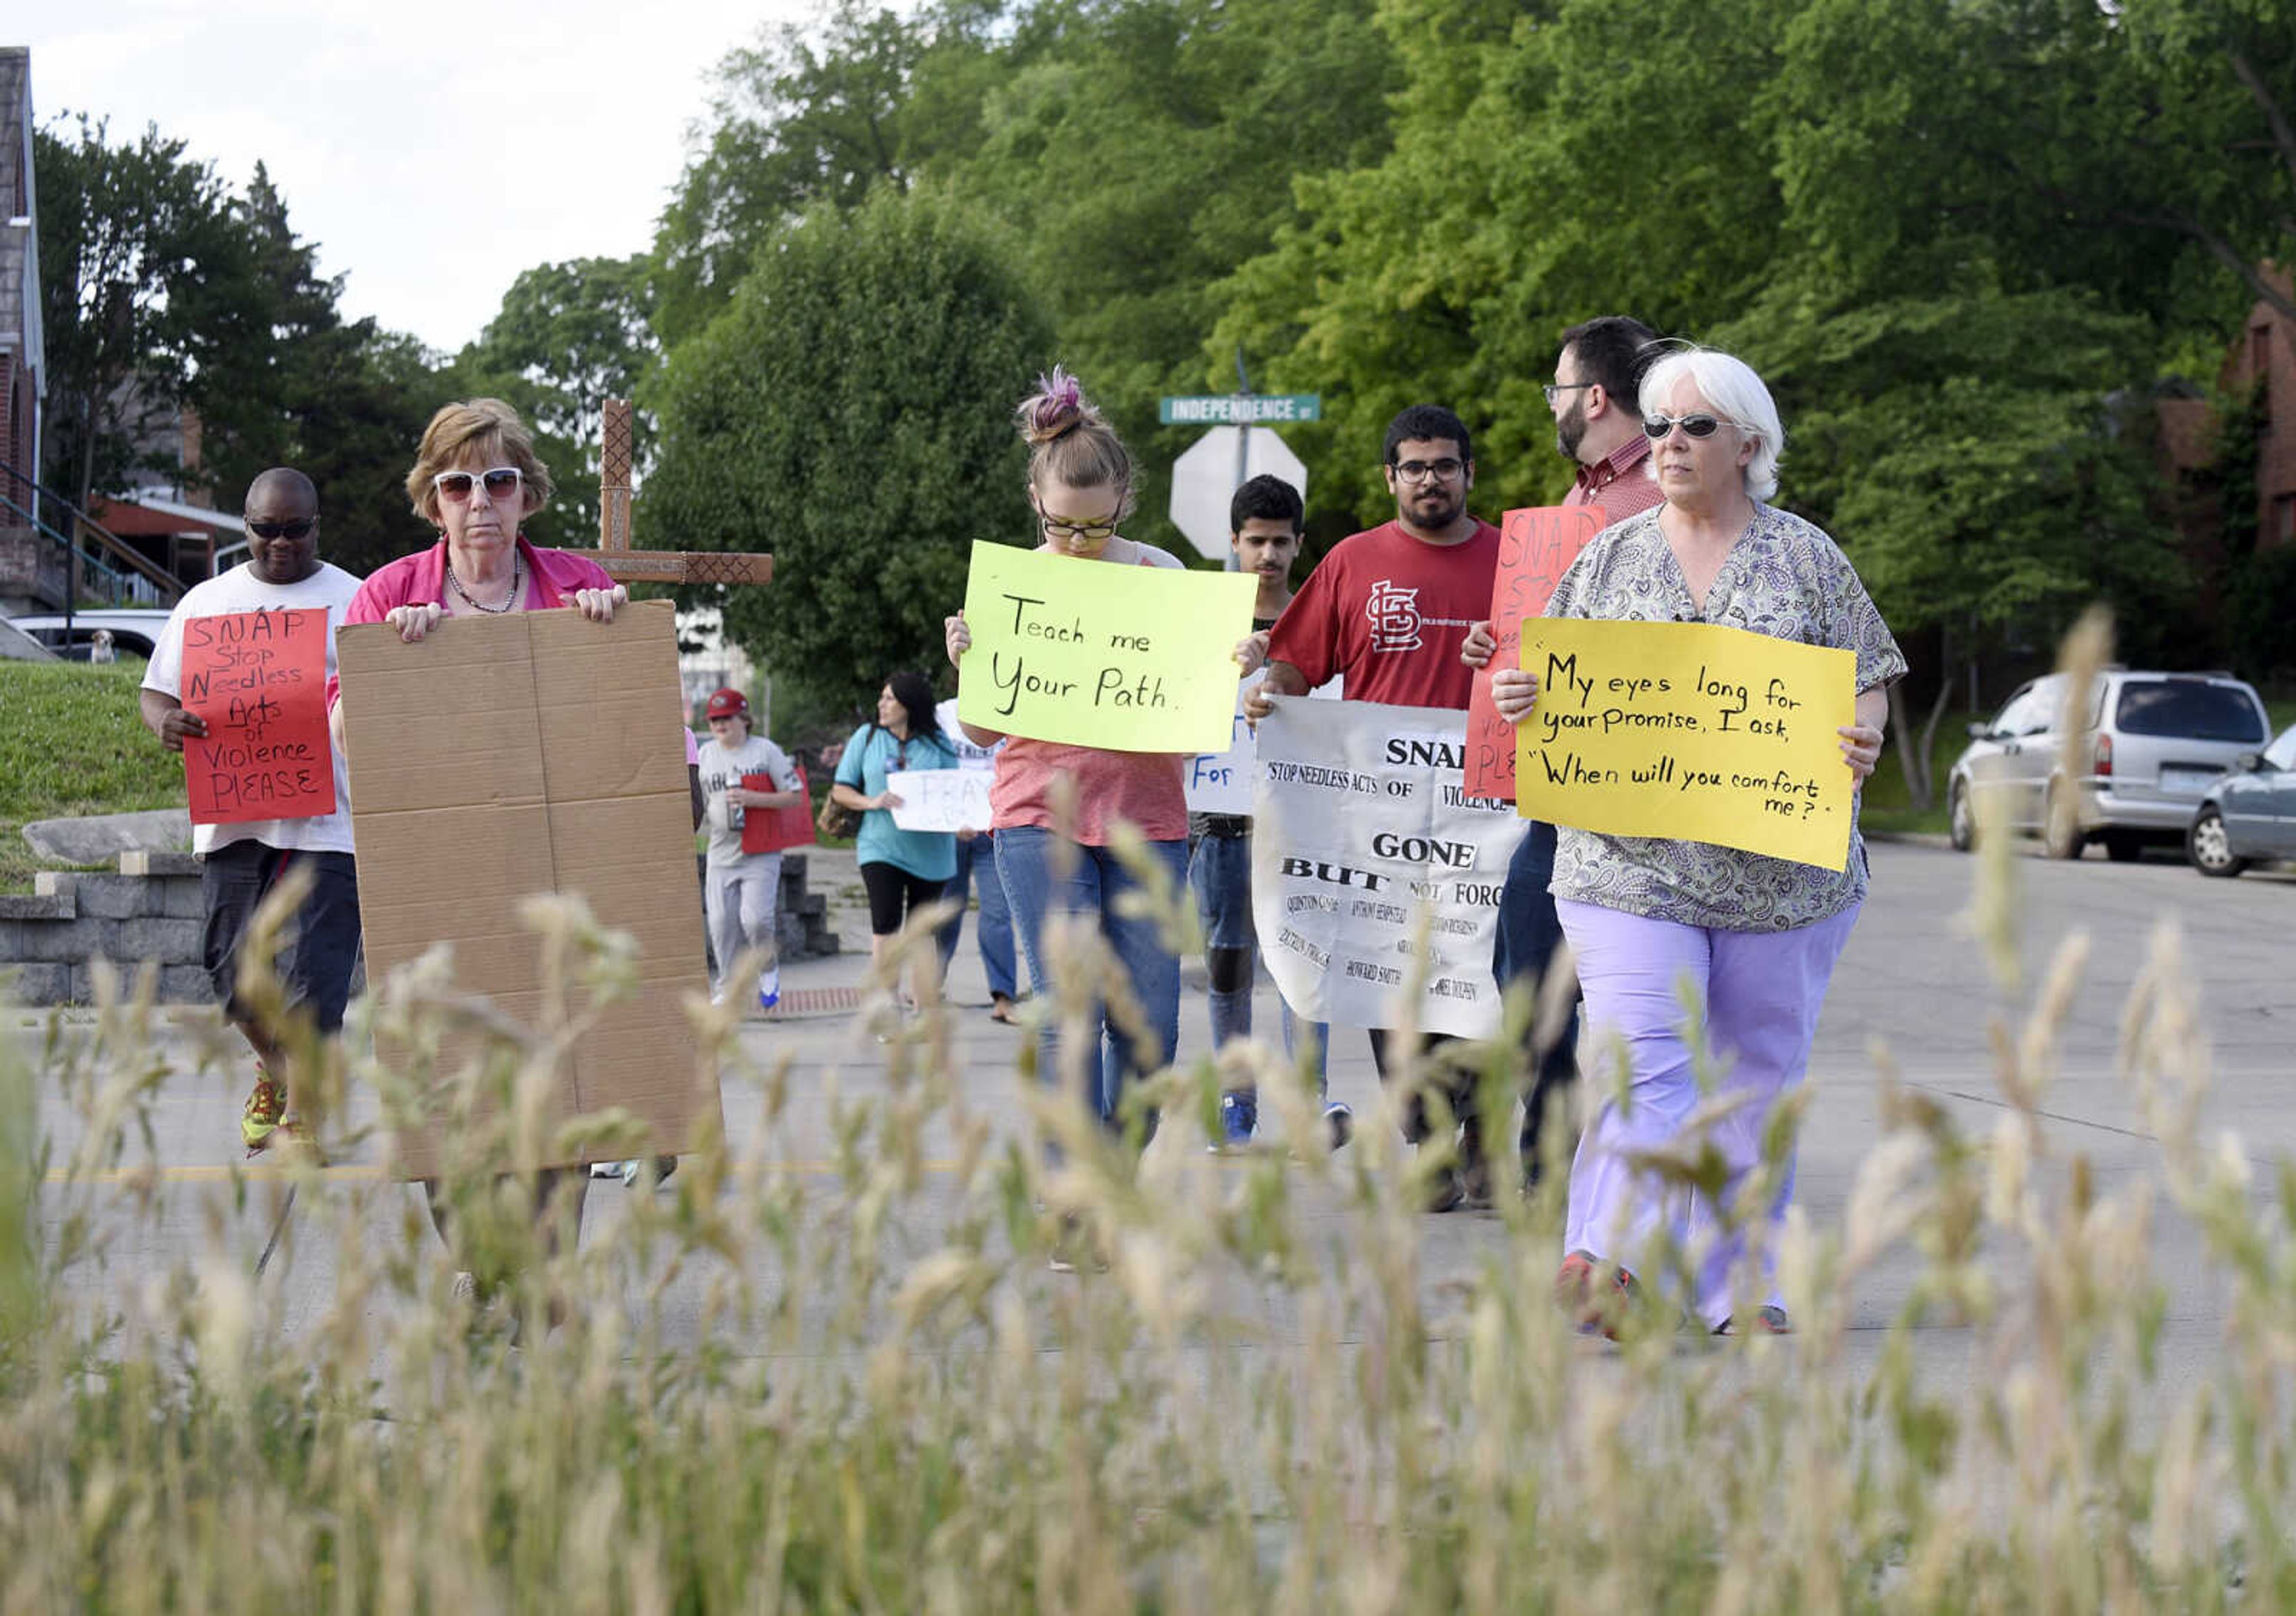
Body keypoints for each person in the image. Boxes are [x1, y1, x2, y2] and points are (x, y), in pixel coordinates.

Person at [1489, 347, 1903, 1336]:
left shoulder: (1807, 557)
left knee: (1755, 1072)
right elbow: (1552, 670)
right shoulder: (1611, 557)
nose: (1669, 442)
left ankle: (1737, 1287)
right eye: (1659, 425)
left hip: (1781, 875)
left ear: (1748, 445)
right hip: (1628, 867)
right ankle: (1608, 1255)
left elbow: (1868, 668)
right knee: (1645, 1050)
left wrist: (1867, 727)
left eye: (1695, 427)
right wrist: (1521, 694)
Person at [334, 398, 700, 1294]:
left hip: (565, 883)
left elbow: (646, 721)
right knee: (444, 1084)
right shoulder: (387, 595)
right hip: (442, 886)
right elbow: (347, 732)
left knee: (563, 1077)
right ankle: (481, 1261)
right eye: (459, 484)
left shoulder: (577, 583)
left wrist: (609, 635)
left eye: (499, 479)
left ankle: (539, 1275)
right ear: (434, 501)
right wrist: (398, 661)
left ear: (528, 494)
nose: (480, 500)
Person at [945, 368, 1233, 1194]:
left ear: (1126, 502)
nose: (1079, 541)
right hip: (1039, 815)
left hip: (1148, 821)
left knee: (1149, 1030)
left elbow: (1196, 707)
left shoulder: (1163, 577)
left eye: (1097, 524)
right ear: (1037, 504)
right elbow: (980, 729)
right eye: (1063, 526)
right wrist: (970, 664)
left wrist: (1225, 665)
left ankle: (1112, 1161)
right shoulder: (1011, 588)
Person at [1247, 404, 1502, 1209]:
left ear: (1469, 473)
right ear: (1390, 477)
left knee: (1486, 985)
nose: (1432, 479)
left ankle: (1488, 1135)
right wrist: (1269, 697)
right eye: (1415, 466)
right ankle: (1428, 1141)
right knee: (1391, 987)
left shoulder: (1515, 562)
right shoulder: (1355, 563)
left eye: (1446, 465)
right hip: (1378, 821)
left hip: (1491, 818)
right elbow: (1294, 667)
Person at [1464, 316, 1665, 1190]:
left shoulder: (1670, 496)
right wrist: (1498, 647)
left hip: (1644, 798)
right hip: (1553, 795)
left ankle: (1601, 1166)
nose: (1551, 403)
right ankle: (1552, 1147)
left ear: (1591, 395)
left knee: (1628, 996)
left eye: (1556, 386)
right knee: (1525, 978)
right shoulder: (1573, 507)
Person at [140, 467, 363, 1154]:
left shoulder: (356, 599)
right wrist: (167, 723)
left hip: (329, 823)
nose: (281, 542)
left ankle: (307, 1111)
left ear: (317, 526)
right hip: (235, 817)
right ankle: (275, 1069)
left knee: (315, 978)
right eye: (267, 528)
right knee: (229, 970)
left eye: (296, 528)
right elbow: (156, 691)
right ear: (246, 526)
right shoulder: (207, 602)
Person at [1191, 474, 1346, 1152]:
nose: (1269, 554)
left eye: (1282, 541)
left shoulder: (1318, 620)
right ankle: (1235, 1101)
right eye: (1256, 540)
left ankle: (1309, 1099)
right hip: (1222, 830)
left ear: (1299, 543)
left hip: (1302, 827)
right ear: (1234, 541)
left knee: (1303, 967)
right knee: (1228, 969)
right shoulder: (1204, 628)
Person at [829, 671, 961, 1014]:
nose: (881, 704)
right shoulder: (867, 737)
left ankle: (923, 1010)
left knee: (922, 933)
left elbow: (955, 791)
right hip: (880, 845)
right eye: (882, 697)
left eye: (889, 698)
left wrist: (962, 823)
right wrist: (872, 802)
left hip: (932, 851)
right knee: (885, 925)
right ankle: (887, 1008)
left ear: (910, 704)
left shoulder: (937, 743)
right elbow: (841, 789)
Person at [696, 685, 804, 1011]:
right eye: (714, 719)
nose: (719, 725)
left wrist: (754, 799)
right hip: (721, 850)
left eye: (726, 717)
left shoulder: (765, 751)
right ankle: (727, 988)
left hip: (761, 850)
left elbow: (795, 795)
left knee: (756, 921)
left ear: (744, 717)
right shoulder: (706, 755)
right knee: (721, 924)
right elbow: (699, 801)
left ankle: (768, 970)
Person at [932, 694, 1024, 1023]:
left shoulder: (1013, 705)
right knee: (945, 913)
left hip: (993, 828)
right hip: (952, 830)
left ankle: (1004, 998)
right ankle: (930, 990)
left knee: (998, 916)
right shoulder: (943, 713)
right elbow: (936, 768)